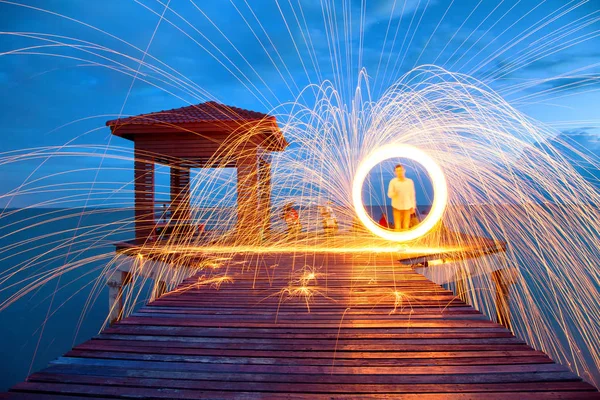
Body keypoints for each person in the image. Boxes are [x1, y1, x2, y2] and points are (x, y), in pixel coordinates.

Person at [387, 164, 416, 231]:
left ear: (404, 171)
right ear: (395, 172)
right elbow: (389, 194)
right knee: (397, 227)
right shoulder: (393, 182)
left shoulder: (409, 182)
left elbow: (412, 194)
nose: (399, 172)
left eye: (400, 170)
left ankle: (405, 241)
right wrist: (394, 193)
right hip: (396, 207)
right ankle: (398, 240)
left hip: (407, 207)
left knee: (406, 226)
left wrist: (413, 207)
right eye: (397, 171)